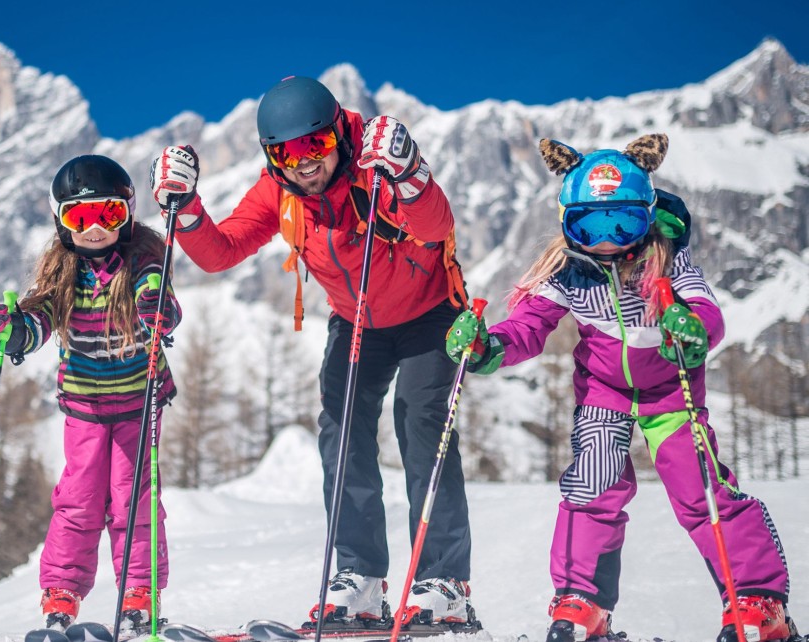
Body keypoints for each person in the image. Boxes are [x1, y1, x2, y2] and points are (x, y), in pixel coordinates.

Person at [148, 76, 478, 628]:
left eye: (315, 147)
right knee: (341, 428)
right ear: (271, 156)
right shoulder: (279, 192)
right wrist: (184, 209)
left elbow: (436, 225)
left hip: (428, 312)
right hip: (357, 322)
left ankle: (444, 583)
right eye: (286, 153)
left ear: (336, 137)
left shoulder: (375, 163)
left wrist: (410, 171)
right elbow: (220, 252)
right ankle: (360, 579)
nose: (303, 164)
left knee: (421, 424)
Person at [446, 134, 798, 642]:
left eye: (623, 223)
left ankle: (757, 599)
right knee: (593, 482)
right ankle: (581, 601)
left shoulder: (668, 260)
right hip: (604, 393)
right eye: (588, 225)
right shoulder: (568, 271)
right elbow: (527, 327)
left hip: (671, 393)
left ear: (646, 218)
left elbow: (706, 311)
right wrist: (488, 346)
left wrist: (692, 328)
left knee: (698, 486)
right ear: (569, 224)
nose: (607, 240)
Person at [0, 155, 181, 634]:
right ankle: (62, 595)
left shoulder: (142, 262)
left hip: (137, 403)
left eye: (108, 214)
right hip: (85, 411)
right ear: (61, 221)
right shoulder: (62, 273)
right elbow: (41, 318)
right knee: (79, 500)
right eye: (80, 216)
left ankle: (139, 592)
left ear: (127, 215)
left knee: (132, 498)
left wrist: (157, 308)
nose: (95, 229)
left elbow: (161, 299)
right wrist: (16, 333)